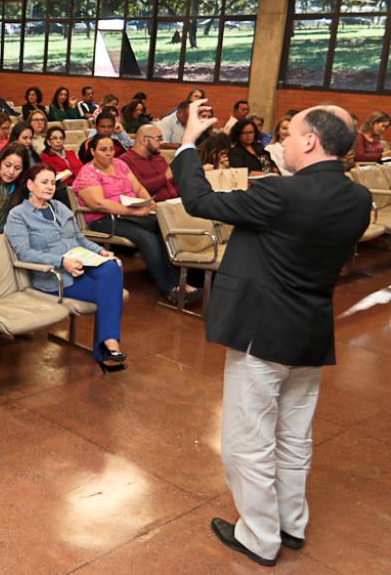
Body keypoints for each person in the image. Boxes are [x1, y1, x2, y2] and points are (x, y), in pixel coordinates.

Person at [172, 101, 371, 568]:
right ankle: (290, 523)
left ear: (310, 141)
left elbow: (199, 201)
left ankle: (260, 536)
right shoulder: (358, 198)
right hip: (309, 329)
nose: (282, 142)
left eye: (289, 134)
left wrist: (188, 142)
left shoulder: (282, 193)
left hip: (261, 331)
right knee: (295, 436)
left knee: (249, 439)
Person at [5, 164, 126, 372]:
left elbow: (79, 238)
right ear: (30, 185)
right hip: (55, 276)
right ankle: (109, 345)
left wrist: (99, 251)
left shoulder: (59, 207)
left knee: (111, 266)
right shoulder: (18, 215)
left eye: (53, 183)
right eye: (44, 182)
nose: (50, 187)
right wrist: (62, 261)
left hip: (81, 263)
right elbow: (24, 253)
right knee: (111, 292)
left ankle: (108, 345)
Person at [73, 135, 196, 304]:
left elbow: (138, 187)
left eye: (111, 149)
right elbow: (99, 203)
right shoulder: (87, 174)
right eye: (103, 150)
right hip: (104, 219)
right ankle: (170, 288)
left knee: (165, 227)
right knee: (145, 237)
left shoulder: (119, 164)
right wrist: (134, 212)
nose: (109, 153)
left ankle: (184, 280)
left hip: (129, 213)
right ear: (93, 152)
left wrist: (148, 201)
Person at [118, 124, 179, 201]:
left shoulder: (159, 158)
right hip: (153, 205)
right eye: (158, 139)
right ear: (144, 140)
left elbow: (174, 182)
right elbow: (138, 188)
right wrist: (165, 177)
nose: (161, 143)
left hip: (176, 202)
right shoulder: (126, 160)